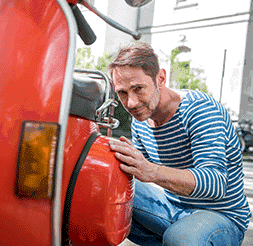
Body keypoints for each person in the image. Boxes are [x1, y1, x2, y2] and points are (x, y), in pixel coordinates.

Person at [107, 43, 251, 246]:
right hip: (172, 208)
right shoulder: (140, 120)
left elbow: (216, 184)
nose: (131, 103)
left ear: (161, 79)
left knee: (181, 238)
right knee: (106, 188)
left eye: (138, 89)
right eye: (122, 93)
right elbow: (140, 172)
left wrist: (151, 171)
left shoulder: (200, 110)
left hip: (221, 217)